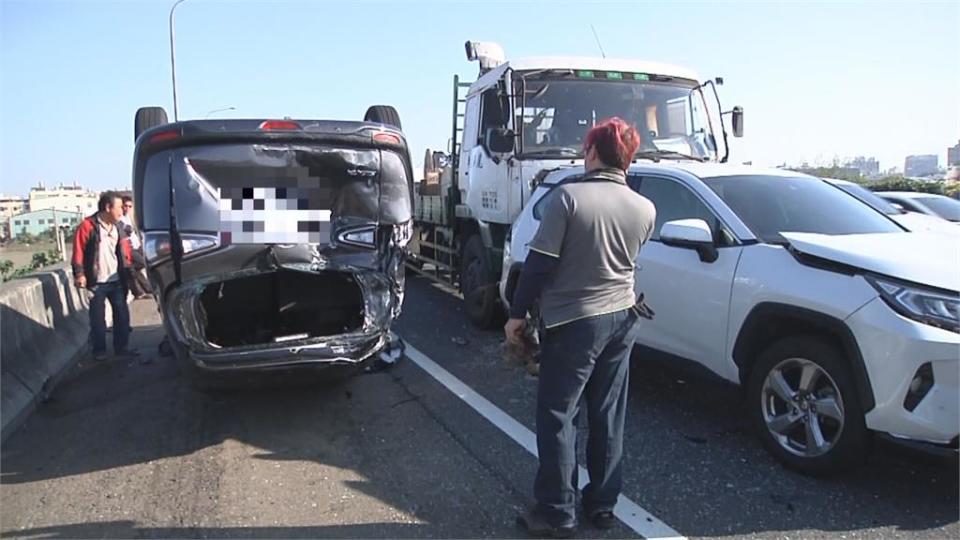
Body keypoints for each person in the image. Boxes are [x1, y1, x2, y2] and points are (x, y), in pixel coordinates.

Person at [506, 117, 656, 537]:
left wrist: (517, 314)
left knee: (558, 414)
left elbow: (540, 263)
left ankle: (557, 510)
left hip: (574, 321)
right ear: (628, 157)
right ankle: (603, 505)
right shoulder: (645, 208)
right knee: (607, 414)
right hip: (624, 317)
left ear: (592, 152)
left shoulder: (568, 198)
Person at [72, 191, 139, 362]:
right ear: (108, 207)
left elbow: (126, 252)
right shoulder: (87, 226)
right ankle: (99, 350)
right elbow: (78, 252)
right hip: (97, 281)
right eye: (119, 208)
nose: (122, 212)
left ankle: (121, 347)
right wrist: (79, 274)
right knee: (98, 319)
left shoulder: (118, 227)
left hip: (116, 280)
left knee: (122, 315)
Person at [119, 195, 151, 299]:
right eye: (125, 206)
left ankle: (145, 290)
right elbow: (124, 229)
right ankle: (140, 290)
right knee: (142, 263)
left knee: (138, 268)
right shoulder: (119, 217)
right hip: (128, 247)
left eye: (130, 206)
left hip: (137, 244)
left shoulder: (128, 216)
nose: (127, 208)